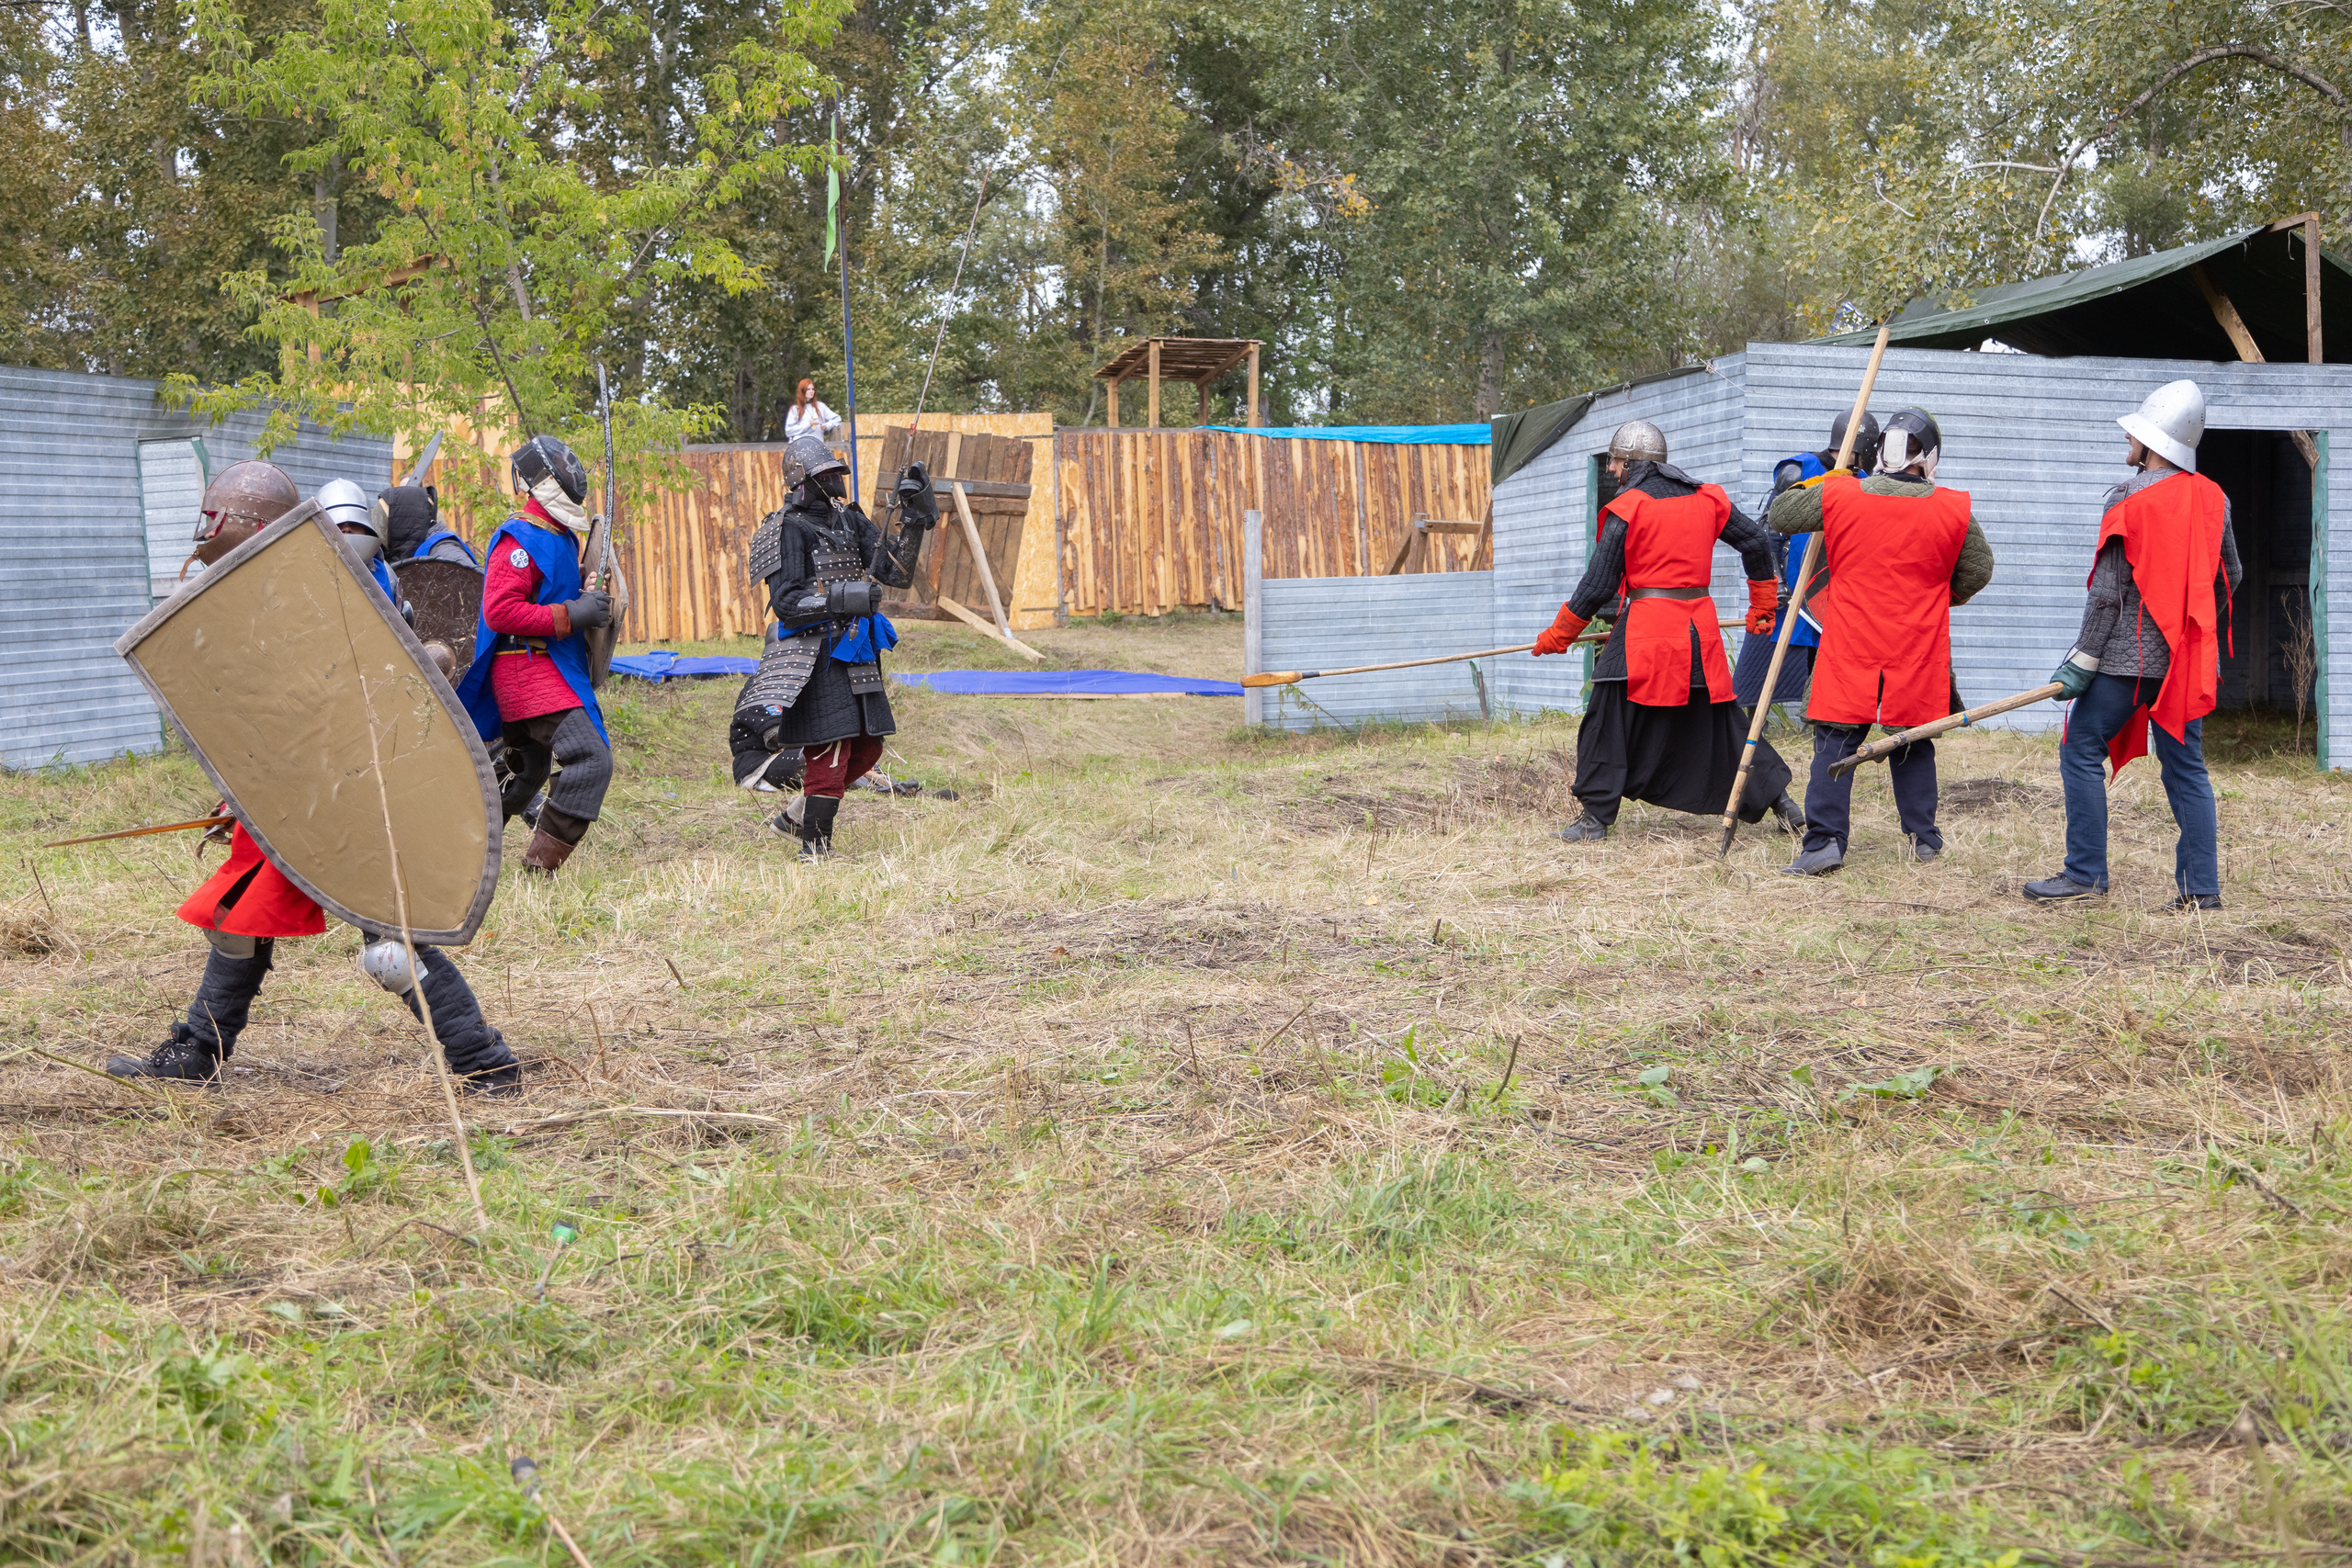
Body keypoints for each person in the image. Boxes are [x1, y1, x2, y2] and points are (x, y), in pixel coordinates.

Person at [107, 462, 523, 1093]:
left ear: (249, 528)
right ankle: (197, 1054)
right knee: (236, 917)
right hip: (299, 795)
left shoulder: (331, 592)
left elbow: (359, 703)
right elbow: (271, 722)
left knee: (391, 948)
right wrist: (243, 791)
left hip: (356, 793)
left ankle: (486, 1060)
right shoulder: (266, 601)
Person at [2025, 379, 2240, 909]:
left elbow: (2106, 594)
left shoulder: (2128, 497)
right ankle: (2201, 891)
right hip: (2183, 662)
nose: (2127, 439)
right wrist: (2187, 623)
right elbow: (2230, 573)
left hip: (2126, 660)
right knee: (2187, 766)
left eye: (2135, 434)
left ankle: (2084, 875)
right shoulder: (2215, 496)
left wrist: (2080, 659)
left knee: (2080, 751)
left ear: (2155, 444)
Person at [1533, 419, 1801, 842]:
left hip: (1649, 631)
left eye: (1616, 461)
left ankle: (1594, 820)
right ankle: (1783, 803)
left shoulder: (1630, 507)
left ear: (1633, 462)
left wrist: (1560, 633)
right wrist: (1763, 605)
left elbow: (1599, 583)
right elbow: (1754, 541)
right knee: (1721, 724)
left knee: (1607, 717)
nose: (1611, 470)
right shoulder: (1707, 498)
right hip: (1700, 632)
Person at [1770, 408, 1996, 874]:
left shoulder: (1843, 493)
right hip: (1915, 644)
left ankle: (1824, 843)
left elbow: (1782, 513)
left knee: (1834, 740)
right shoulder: (1952, 506)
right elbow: (1978, 570)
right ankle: (1924, 840)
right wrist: (1934, 596)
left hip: (1851, 640)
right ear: (1928, 458)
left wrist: (1832, 476)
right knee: (1911, 739)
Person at [731, 436, 930, 857]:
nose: (833, 480)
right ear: (801, 480)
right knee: (832, 744)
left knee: (869, 744)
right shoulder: (785, 528)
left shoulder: (849, 520)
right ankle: (815, 849)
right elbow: (786, 604)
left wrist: (913, 519)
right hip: (814, 653)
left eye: (834, 473)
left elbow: (895, 574)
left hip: (857, 647)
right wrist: (845, 598)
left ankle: (793, 820)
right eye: (823, 475)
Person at [453, 435, 615, 876]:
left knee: (526, 768)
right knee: (591, 758)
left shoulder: (558, 537)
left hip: (545, 667)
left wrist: (586, 594)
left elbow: (550, 593)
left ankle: (463, 845)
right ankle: (539, 866)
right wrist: (571, 614)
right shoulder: (520, 538)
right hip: (528, 670)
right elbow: (500, 611)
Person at [1730, 411, 1881, 714]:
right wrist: (1779, 584)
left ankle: (1824, 722)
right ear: (1863, 446)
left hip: (1839, 591)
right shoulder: (1800, 470)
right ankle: (1750, 730)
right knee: (1761, 661)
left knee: (1829, 665)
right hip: (1794, 589)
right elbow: (1769, 533)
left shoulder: (1865, 482)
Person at [377, 483, 480, 566]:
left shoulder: (445, 551)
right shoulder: (418, 547)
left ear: (402, 522)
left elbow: (470, 587)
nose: (381, 531)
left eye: (384, 523)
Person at [782, 378, 842, 443]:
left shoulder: (821, 406)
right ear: (802, 391)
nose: (811, 391)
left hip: (818, 446)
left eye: (813, 389)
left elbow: (837, 419)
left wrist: (827, 426)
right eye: (808, 389)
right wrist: (808, 425)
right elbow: (789, 431)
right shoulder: (795, 409)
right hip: (800, 447)